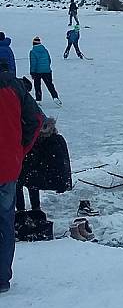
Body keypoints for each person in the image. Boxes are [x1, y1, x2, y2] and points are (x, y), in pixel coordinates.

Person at [0, 62, 42, 292]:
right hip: (7, 166)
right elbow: (37, 120)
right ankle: (2, 278)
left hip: (8, 164)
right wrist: (20, 149)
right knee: (5, 222)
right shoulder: (15, 86)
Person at [15, 114, 71, 241]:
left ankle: (25, 211)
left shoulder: (45, 140)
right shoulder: (51, 139)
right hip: (32, 166)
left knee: (23, 181)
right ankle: (30, 210)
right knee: (27, 181)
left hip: (30, 164)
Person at [29, 36, 62, 106]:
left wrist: (32, 72)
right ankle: (55, 97)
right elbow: (49, 60)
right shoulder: (45, 50)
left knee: (37, 85)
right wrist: (47, 67)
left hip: (38, 72)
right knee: (50, 85)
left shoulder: (32, 52)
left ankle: (38, 100)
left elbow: (33, 63)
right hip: (47, 71)